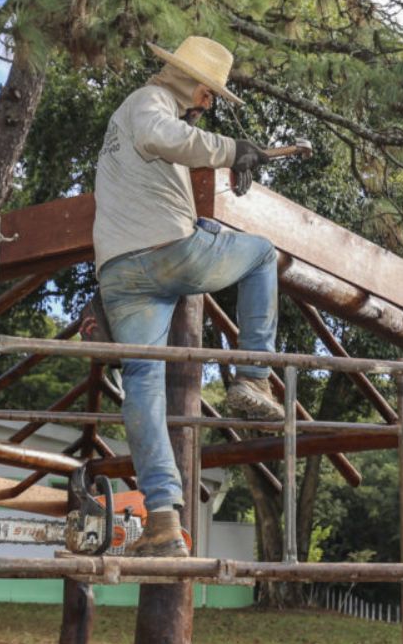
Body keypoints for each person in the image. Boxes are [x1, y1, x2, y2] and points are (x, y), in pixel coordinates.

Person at [92, 36, 285, 558]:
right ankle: (252, 377)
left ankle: (160, 520)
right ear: (190, 81)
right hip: (163, 255)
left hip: (120, 272)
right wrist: (231, 150)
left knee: (142, 383)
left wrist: (205, 205)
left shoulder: (132, 120)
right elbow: (161, 136)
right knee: (264, 254)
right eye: (209, 92)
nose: (210, 103)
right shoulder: (149, 103)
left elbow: (155, 175)